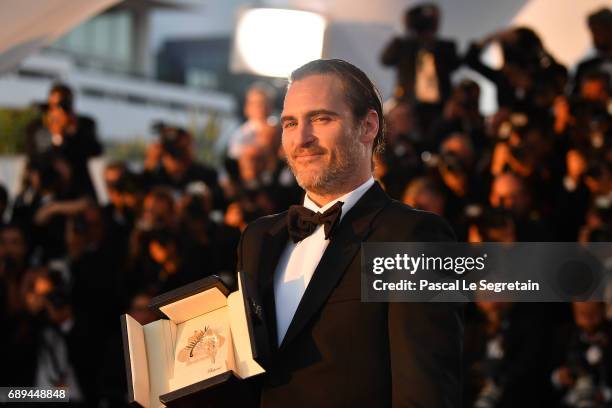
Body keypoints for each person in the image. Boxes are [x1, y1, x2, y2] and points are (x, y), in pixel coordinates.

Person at [237, 59, 463, 407]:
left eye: (321, 119)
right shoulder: (258, 238)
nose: (301, 138)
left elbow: (424, 391)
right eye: (290, 122)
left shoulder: (410, 236)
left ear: (367, 126)